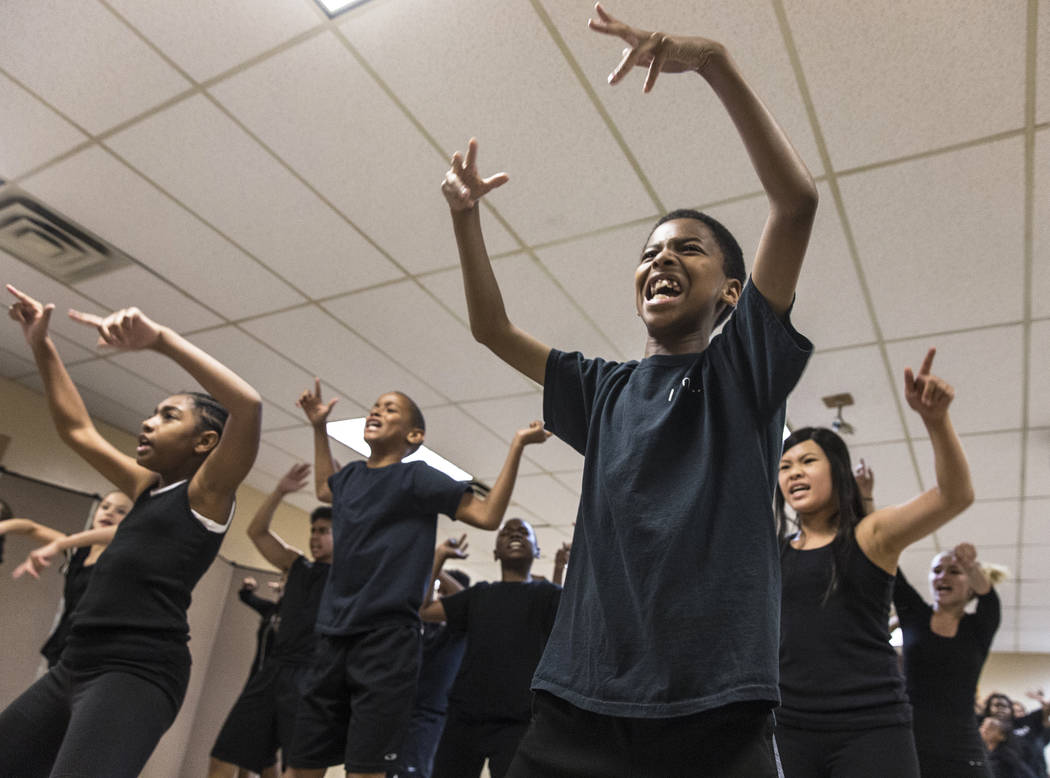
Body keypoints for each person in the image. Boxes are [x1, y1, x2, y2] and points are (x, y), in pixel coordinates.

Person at [442, 3, 818, 774]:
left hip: (714, 710)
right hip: (577, 704)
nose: (662, 259)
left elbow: (797, 204)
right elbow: (491, 329)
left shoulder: (740, 373)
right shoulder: (602, 390)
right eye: (651, 252)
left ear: (732, 293)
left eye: (689, 249)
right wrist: (465, 220)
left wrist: (712, 61)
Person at [0, 284, 261, 778]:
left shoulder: (206, 496)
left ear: (206, 442)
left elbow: (248, 407)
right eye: (153, 413)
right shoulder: (146, 488)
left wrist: (160, 340)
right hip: (76, 661)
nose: (148, 422)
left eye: (168, 416)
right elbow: (77, 430)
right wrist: (41, 344)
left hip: (137, 672)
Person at [286, 378, 550, 778]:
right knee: (302, 764)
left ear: (414, 435)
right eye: (375, 406)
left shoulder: (418, 478)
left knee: (365, 769)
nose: (377, 411)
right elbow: (325, 488)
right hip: (331, 637)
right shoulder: (352, 476)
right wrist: (320, 427)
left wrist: (517, 445)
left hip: (386, 642)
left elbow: (487, 515)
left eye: (390, 408)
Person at [775, 348, 974, 778]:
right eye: (785, 466)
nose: (794, 473)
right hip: (789, 727)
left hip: (870, 726)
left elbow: (955, 496)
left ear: (838, 471)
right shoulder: (775, 552)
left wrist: (936, 421)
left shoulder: (871, 536)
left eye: (808, 461)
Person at [209, 464, 333, 778]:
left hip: (310, 678)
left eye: (324, 531)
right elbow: (257, 532)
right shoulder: (297, 565)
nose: (315, 537)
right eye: (313, 530)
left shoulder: (348, 576)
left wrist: (350, 502)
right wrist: (279, 492)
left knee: (298, 767)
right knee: (226, 752)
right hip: (273, 672)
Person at [421, 520, 561, 778]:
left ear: (537, 551)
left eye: (523, 532)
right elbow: (425, 610)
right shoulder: (479, 594)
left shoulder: (548, 595)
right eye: (506, 532)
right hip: (466, 716)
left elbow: (575, 618)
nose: (515, 534)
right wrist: (438, 557)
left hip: (521, 720)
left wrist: (567, 564)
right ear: (495, 552)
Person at [893, 543, 1004, 777]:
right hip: (911, 741)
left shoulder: (980, 626)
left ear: (970, 585)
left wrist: (970, 566)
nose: (943, 576)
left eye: (954, 571)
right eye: (936, 571)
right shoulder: (914, 614)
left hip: (962, 746)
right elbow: (889, 564)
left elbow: (989, 598)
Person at [1, 490, 133, 665]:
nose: (109, 513)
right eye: (105, 507)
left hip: (103, 650)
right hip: (66, 644)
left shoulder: (130, 558)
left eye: (121, 511)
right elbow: (30, 527)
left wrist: (60, 544)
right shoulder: (77, 550)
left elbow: (133, 531)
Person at [390, 566, 471, 778]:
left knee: (414, 773)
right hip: (402, 711)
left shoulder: (460, 630)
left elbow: (465, 600)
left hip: (429, 716)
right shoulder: (425, 626)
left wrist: (439, 566)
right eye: (439, 591)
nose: (440, 598)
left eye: (446, 592)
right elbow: (420, 606)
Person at [237, 575, 280, 679]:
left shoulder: (298, 617)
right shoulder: (272, 609)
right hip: (260, 671)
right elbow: (247, 597)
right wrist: (249, 588)